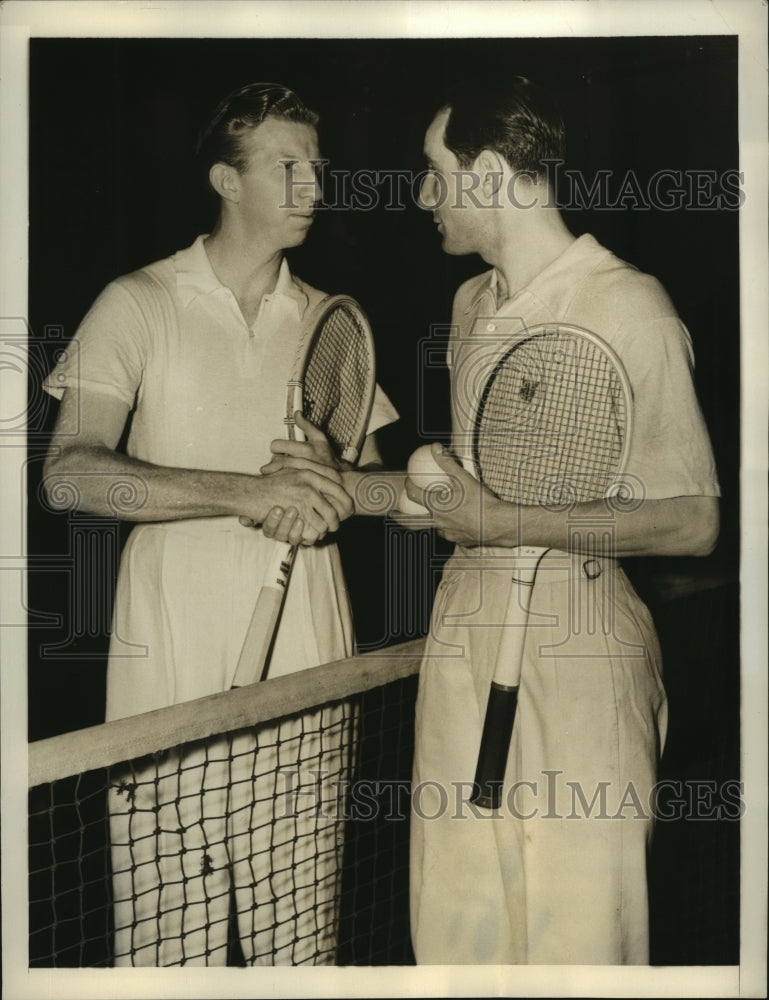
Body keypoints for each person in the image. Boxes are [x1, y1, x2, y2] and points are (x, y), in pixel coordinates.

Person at [42, 82, 397, 966]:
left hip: (309, 640)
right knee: (171, 946)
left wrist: (343, 489)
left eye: (317, 165)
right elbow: (69, 474)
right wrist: (246, 494)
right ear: (226, 180)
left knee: (298, 945)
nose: (314, 184)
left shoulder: (327, 321)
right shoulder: (137, 301)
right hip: (169, 644)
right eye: (287, 166)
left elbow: (387, 490)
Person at [393, 77, 720, 964]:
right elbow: (474, 498)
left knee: (579, 948)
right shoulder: (470, 304)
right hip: (463, 637)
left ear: (488, 173)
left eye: (433, 172)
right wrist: (349, 488)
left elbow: (692, 522)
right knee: (458, 944)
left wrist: (502, 522)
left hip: (580, 649)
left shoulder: (628, 303)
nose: (421, 195)